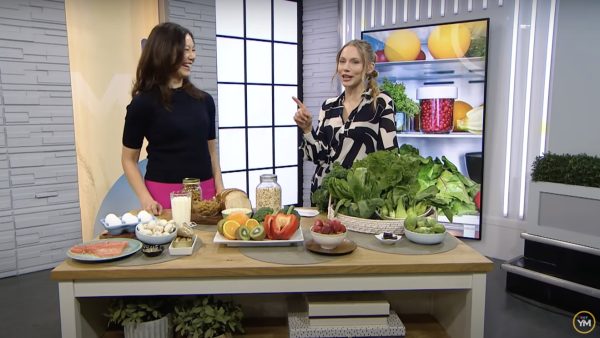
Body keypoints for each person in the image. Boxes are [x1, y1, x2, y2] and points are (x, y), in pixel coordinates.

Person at [121, 22, 224, 215]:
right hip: (162, 194)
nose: (192, 56)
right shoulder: (142, 103)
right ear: (164, 51)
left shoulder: (205, 101)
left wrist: (220, 188)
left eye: (193, 50)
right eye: (185, 50)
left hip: (206, 191)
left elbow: (211, 153)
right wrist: (146, 198)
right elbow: (128, 159)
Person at [293, 39, 399, 196]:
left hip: (359, 199)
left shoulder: (381, 102)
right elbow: (318, 157)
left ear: (369, 67)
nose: (346, 68)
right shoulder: (328, 106)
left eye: (355, 62)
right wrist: (307, 129)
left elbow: (391, 157)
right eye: (342, 62)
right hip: (324, 195)